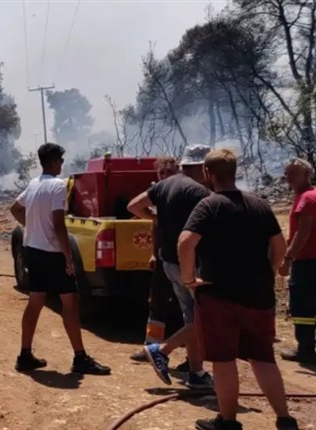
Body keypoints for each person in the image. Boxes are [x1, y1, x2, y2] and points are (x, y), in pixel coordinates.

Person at [177, 148, 299, 430]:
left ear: (208, 174)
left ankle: (228, 421)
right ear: (235, 173)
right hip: (259, 297)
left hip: (219, 296)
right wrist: (268, 271)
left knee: (223, 359)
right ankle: (285, 419)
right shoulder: (259, 205)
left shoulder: (209, 206)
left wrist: (188, 279)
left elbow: (185, 242)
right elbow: (279, 246)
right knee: (263, 357)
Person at [10, 142, 111, 375]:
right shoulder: (58, 186)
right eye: (61, 161)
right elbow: (59, 224)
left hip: (33, 251)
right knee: (70, 303)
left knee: (35, 302)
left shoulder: (34, 185)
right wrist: (68, 258)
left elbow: (15, 209)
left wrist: (31, 227)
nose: (62, 165)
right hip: (52, 253)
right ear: (55, 162)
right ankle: (80, 357)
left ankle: (24, 354)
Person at [127, 144, 213, 389]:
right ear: (202, 167)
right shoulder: (200, 192)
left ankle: (196, 373)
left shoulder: (164, 186)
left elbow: (133, 206)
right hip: (193, 264)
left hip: (170, 263)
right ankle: (162, 350)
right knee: (204, 317)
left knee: (190, 316)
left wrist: (156, 217)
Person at [130, 157, 189, 369]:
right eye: (161, 173)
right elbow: (155, 228)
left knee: (188, 309)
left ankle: (192, 358)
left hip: (185, 260)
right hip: (165, 258)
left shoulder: (186, 195)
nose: (164, 176)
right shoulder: (159, 196)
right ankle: (151, 347)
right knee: (157, 303)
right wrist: (154, 254)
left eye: (169, 172)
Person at [279, 158, 316, 364]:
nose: (288, 178)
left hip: (307, 262)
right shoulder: (307, 196)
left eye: (292, 173)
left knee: (302, 307)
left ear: (306, 174)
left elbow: (303, 232)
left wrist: (288, 258)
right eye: (286, 173)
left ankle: (306, 348)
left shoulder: (307, 199)